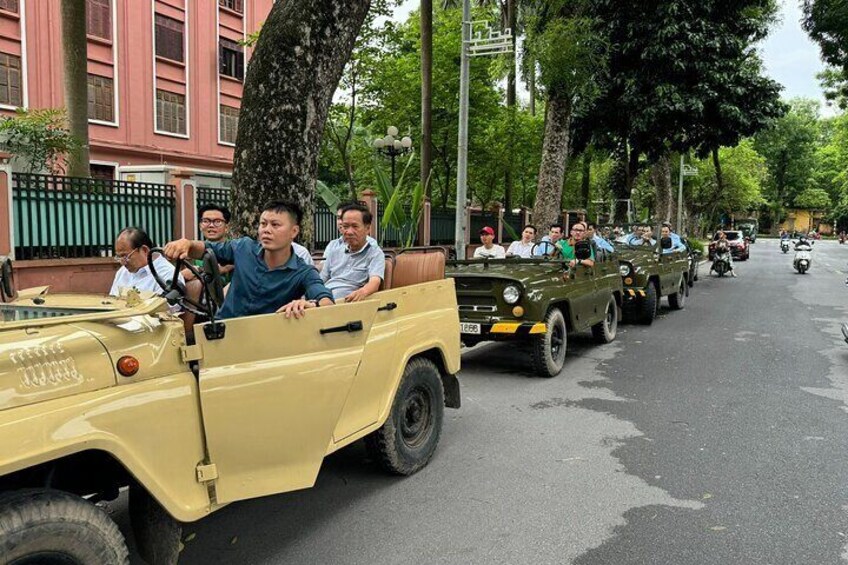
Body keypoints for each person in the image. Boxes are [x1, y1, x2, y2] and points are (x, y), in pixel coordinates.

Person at [162, 200, 334, 319]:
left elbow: (325, 299)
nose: (266, 230)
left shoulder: (303, 271)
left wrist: (311, 305)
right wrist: (187, 244)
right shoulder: (243, 248)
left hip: (264, 341)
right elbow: (207, 249)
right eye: (263, 224)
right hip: (223, 331)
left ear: (294, 232)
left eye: (275, 225)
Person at [321, 203, 386, 301]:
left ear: (367, 228)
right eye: (345, 226)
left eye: (355, 226)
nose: (349, 232)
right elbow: (321, 279)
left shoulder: (375, 253)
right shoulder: (334, 252)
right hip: (323, 298)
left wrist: (362, 292)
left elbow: (374, 282)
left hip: (346, 302)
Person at [110, 227, 183, 296]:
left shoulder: (167, 274)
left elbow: (163, 307)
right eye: (119, 257)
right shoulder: (122, 272)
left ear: (144, 250)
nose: (122, 262)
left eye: (125, 256)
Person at [183, 204, 235, 284]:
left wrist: (199, 270)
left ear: (227, 228)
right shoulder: (195, 250)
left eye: (217, 222)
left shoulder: (234, 249)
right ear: (200, 226)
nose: (211, 225)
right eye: (206, 221)